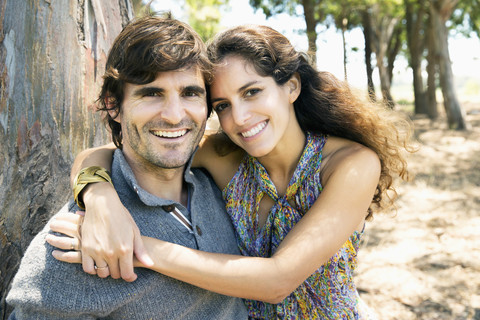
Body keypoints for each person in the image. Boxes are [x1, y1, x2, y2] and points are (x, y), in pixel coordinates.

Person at [50, 25, 413, 319]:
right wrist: (100, 200)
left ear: (291, 86)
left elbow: (278, 281)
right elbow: (107, 154)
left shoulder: (349, 164)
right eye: (223, 105)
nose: (239, 118)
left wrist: (132, 246)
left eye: (252, 92)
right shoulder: (224, 155)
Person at [6, 15, 249, 320]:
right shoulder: (76, 243)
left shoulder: (220, 184)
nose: (175, 116)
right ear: (113, 105)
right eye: (152, 93)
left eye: (190, 93)